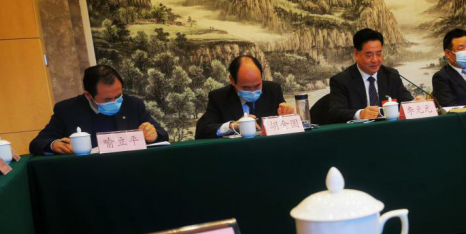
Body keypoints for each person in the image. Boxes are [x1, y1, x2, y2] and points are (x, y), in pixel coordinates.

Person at [29, 65, 168, 155]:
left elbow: (162, 134)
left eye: (118, 96)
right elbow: (37, 143)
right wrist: (54, 145)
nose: (115, 102)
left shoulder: (133, 104)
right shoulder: (67, 110)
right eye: (107, 99)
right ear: (88, 95)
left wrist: (153, 134)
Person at [195, 55, 294, 139]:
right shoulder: (219, 97)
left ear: (261, 76)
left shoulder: (273, 90)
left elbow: (284, 126)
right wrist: (234, 125)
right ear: (232, 80)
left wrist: (287, 115)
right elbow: (201, 131)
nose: (252, 91)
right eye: (246, 88)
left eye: (257, 86)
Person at [329, 28, 414, 123]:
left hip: (389, 129)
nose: (375, 60)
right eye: (369, 55)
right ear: (356, 54)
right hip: (359, 131)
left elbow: (406, 101)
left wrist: (415, 103)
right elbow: (335, 112)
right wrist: (360, 114)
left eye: (379, 54)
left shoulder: (391, 75)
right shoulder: (341, 80)